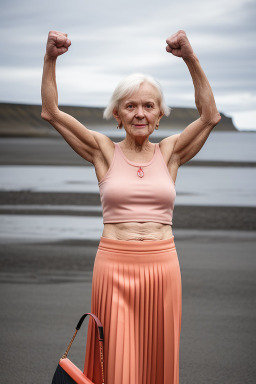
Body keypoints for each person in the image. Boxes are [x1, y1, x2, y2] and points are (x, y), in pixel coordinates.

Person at [41, 30, 221, 384]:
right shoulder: (103, 151)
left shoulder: (170, 153)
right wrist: (50, 58)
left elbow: (210, 116)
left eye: (148, 106)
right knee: (117, 366)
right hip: (114, 268)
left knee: (158, 360)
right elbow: (50, 111)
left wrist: (190, 57)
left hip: (163, 267)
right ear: (118, 115)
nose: (140, 113)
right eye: (131, 106)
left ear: (159, 116)